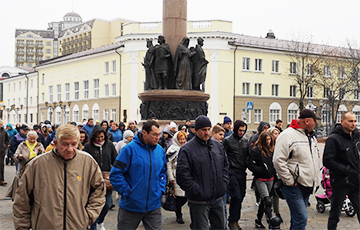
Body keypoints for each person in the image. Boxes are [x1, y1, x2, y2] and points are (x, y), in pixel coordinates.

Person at [13, 124, 106, 229]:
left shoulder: (88, 162)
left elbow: (99, 190)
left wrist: (88, 215)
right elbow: (22, 199)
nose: (70, 149)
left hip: (77, 225)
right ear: (56, 143)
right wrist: (22, 227)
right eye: (65, 144)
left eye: (74, 144)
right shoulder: (37, 165)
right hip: (45, 226)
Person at [110, 120, 167, 229]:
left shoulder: (160, 151)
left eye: (159, 134)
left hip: (153, 205)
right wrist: (127, 192)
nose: (157, 137)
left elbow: (162, 172)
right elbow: (116, 174)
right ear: (144, 132)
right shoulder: (129, 149)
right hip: (131, 206)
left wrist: (160, 189)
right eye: (154, 134)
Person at [177, 115, 229, 230]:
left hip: (217, 198)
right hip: (198, 201)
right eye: (203, 130)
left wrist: (223, 184)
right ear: (196, 130)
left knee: (221, 226)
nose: (207, 133)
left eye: (208, 129)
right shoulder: (187, 149)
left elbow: (225, 167)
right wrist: (197, 190)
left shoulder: (218, 146)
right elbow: (182, 176)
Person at [273, 109, 321, 230]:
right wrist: (289, 180)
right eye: (315, 122)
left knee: (297, 218)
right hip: (293, 185)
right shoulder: (287, 135)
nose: (316, 124)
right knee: (301, 218)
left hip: (306, 184)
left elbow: (314, 159)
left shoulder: (310, 136)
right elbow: (278, 160)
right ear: (307, 121)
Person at [323, 111, 360, 229]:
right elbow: (328, 161)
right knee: (335, 213)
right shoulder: (334, 139)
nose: (353, 124)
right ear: (342, 121)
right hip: (341, 182)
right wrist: (347, 170)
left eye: (355, 121)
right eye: (350, 121)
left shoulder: (356, 136)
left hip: (356, 181)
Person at [84, 125, 118, 230]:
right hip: (93, 179)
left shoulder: (109, 145)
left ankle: (100, 221)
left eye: (102, 137)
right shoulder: (88, 147)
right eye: (98, 137)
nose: (100, 139)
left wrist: (114, 171)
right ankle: (92, 225)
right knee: (94, 204)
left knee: (107, 204)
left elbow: (115, 160)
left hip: (107, 179)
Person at [222, 120, 249, 230]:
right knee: (236, 196)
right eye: (240, 130)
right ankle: (232, 221)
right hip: (231, 172)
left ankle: (235, 219)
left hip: (242, 172)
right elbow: (223, 156)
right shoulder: (227, 141)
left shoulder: (245, 141)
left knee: (241, 196)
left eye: (243, 130)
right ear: (236, 129)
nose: (242, 132)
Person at [248, 131, 276, 229]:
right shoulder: (256, 151)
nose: (268, 141)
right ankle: (270, 220)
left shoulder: (272, 150)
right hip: (260, 179)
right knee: (267, 200)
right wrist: (260, 170)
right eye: (266, 140)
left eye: (269, 139)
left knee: (264, 202)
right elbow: (250, 164)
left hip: (270, 178)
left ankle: (258, 219)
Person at [6, 131, 45, 199]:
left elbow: (44, 158)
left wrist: (41, 152)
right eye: (31, 139)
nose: (32, 140)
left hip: (36, 171)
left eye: (34, 139)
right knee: (23, 188)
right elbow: (15, 156)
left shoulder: (39, 145)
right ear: (27, 138)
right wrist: (19, 156)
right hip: (23, 170)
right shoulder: (22, 145)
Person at [166, 131, 188, 224]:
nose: (182, 141)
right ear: (176, 140)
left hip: (187, 176)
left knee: (185, 197)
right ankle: (179, 215)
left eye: (183, 139)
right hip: (176, 176)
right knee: (178, 197)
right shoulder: (171, 149)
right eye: (180, 139)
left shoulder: (188, 148)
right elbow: (169, 165)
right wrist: (171, 177)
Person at [268, 127, 283, 223]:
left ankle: (277, 213)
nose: (277, 135)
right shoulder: (268, 146)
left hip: (276, 173)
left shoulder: (280, 144)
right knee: (268, 195)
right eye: (275, 133)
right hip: (268, 173)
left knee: (275, 193)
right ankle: (266, 212)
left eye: (278, 133)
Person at [0, 120, 10, 186]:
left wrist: (5, 146)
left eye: (1, 124)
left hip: (1, 151)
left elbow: (7, 140)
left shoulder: (4, 132)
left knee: (1, 165)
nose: (0, 125)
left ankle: (1, 180)